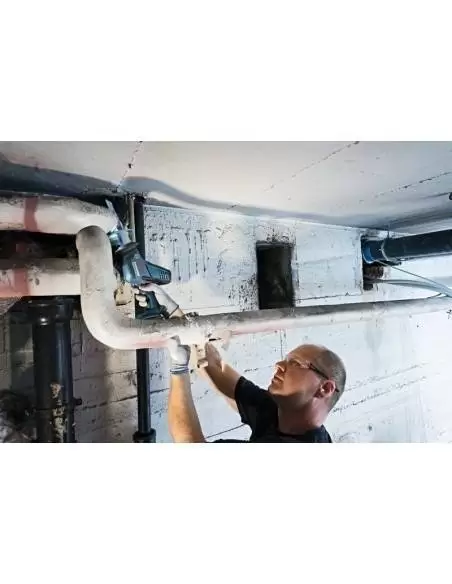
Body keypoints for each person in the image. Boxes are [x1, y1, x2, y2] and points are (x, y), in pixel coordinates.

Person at [166, 337, 346, 443]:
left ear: (325, 388)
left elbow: (189, 443)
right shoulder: (280, 412)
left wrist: (179, 368)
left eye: (295, 363)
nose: (278, 365)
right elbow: (215, 368)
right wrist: (174, 313)